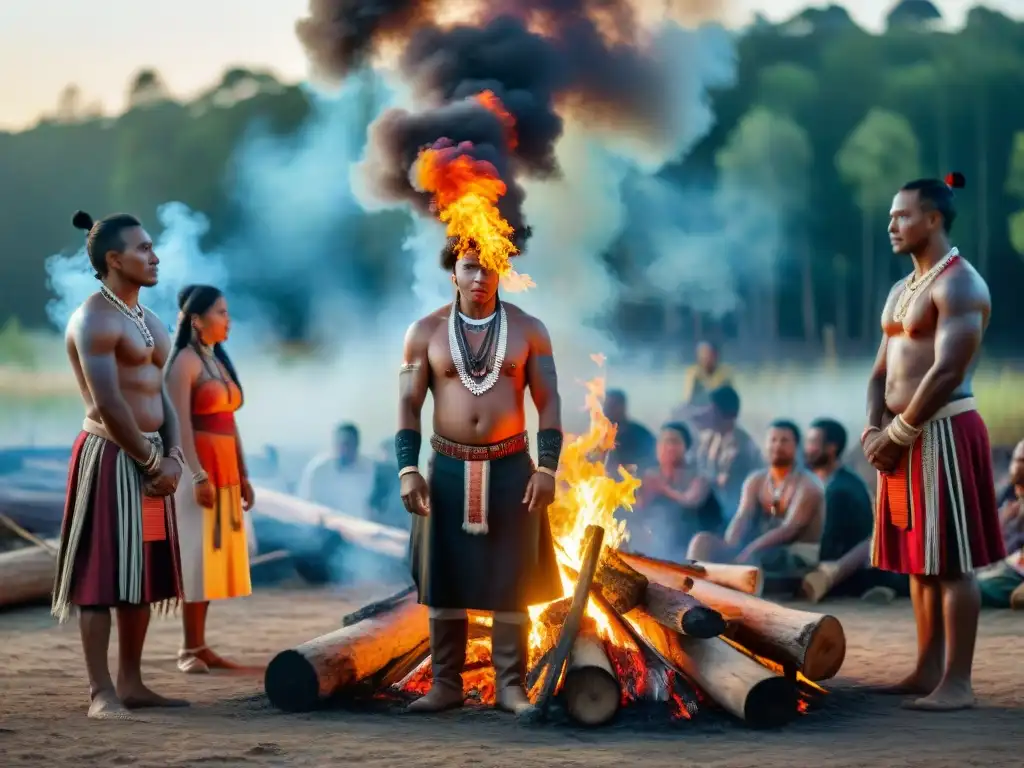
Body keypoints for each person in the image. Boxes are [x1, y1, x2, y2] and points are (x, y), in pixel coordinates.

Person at [396, 241, 562, 715]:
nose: (480, 278)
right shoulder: (423, 331)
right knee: (443, 574)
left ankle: (511, 685)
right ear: (454, 272)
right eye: (470, 267)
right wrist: (408, 470)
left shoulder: (530, 330)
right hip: (445, 468)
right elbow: (408, 406)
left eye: (491, 268)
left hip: (512, 468)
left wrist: (547, 468)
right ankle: (445, 683)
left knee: (513, 575)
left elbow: (549, 402)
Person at [861, 174, 1003, 711]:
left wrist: (899, 431)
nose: (892, 225)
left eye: (902, 215)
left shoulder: (960, 284)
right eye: (892, 216)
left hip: (942, 428)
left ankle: (958, 683)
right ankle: (925, 670)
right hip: (900, 437)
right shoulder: (902, 290)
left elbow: (947, 370)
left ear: (934, 219)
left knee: (951, 561)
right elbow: (879, 372)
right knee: (921, 559)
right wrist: (873, 428)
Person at [51, 211, 187, 720]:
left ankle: (131, 683)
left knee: (140, 573)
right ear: (114, 259)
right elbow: (109, 403)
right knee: (101, 577)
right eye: (144, 249)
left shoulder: (147, 320)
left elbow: (163, 396)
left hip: (153, 461)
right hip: (110, 457)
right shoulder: (94, 319)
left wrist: (172, 456)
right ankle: (100, 691)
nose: (155, 257)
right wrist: (155, 461)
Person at [165, 285, 254, 674]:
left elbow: (230, 423)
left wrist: (245, 473)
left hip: (226, 471)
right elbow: (178, 423)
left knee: (213, 559)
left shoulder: (217, 361)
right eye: (220, 312)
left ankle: (199, 645)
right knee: (196, 557)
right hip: (197, 469)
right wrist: (196, 474)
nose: (227, 318)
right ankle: (187, 649)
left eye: (228, 311)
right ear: (197, 320)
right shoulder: (184, 362)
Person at [688, 420, 824, 576]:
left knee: (759, 558)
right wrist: (729, 545)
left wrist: (750, 551)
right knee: (701, 542)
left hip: (795, 557)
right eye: (773, 440)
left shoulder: (808, 485)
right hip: (757, 552)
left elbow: (789, 530)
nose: (777, 446)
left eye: (784, 441)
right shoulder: (756, 480)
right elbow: (743, 516)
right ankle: (694, 587)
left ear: (796, 447)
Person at [800, 418, 908, 602]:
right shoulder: (838, 480)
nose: (807, 449)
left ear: (831, 448)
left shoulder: (839, 489)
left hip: (853, 566)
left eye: (812, 443)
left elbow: (832, 544)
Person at [629, 422, 723, 559]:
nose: (668, 447)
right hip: (660, 541)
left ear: (686, 447)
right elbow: (639, 511)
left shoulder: (698, 476)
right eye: (663, 442)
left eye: (673, 441)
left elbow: (691, 501)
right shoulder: (650, 476)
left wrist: (663, 488)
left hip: (695, 542)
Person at [694, 385, 762, 520]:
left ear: (727, 414)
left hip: (735, 511)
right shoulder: (710, 438)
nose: (705, 414)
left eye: (711, 410)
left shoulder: (741, 446)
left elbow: (727, 487)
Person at [975, 439, 1024, 609]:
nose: (1017, 468)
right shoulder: (1007, 497)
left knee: (969, 585)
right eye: (1017, 460)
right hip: (994, 564)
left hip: (1010, 571)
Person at [298, 423, 376, 517]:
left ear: (357, 445)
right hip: (324, 526)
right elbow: (305, 504)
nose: (345, 449)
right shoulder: (318, 470)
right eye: (342, 444)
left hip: (359, 527)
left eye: (349, 444)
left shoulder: (368, 468)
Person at [603, 389, 656, 472]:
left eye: (611, 406)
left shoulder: (640, 435)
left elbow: (651, 463)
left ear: (622, 406)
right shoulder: (595, 436)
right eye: (605, 406)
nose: (606, 410)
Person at [681, 341, 734, 407]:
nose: (706, 358)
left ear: (716, 356)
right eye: (703, 355)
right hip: (699, 406)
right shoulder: (693, 372)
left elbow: (730, 396)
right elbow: (688, 397)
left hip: (718, 406)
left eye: (709, 355)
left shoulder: (725, 372)